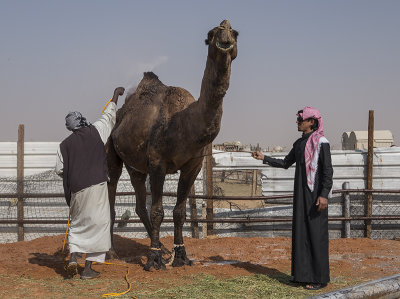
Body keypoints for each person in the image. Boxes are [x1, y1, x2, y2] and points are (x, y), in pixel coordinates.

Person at [252, 107, 333, 290]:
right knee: (301, 233)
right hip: (301, 195)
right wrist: (264, 157)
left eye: (300, 119)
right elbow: (285, 163)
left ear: (312, 122)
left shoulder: (322, 142)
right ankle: (301, 275)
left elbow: (328, 171)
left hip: (316, 195)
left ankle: (319, 278)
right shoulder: (299, 144)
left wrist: (323, 194)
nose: (297, 122)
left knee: (316, 234)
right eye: (297, 119)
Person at [55, 87, 125, 279]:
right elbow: (108, 116)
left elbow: (60, 170)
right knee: (99, 224)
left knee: (78, 225)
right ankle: (87, 269)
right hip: (97, 186)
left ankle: (72, 259)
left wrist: (76, 173)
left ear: (69, 126)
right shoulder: (96, 132)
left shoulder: (63, 146)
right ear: (82, 120)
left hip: (76, 191)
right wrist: (115, 95)